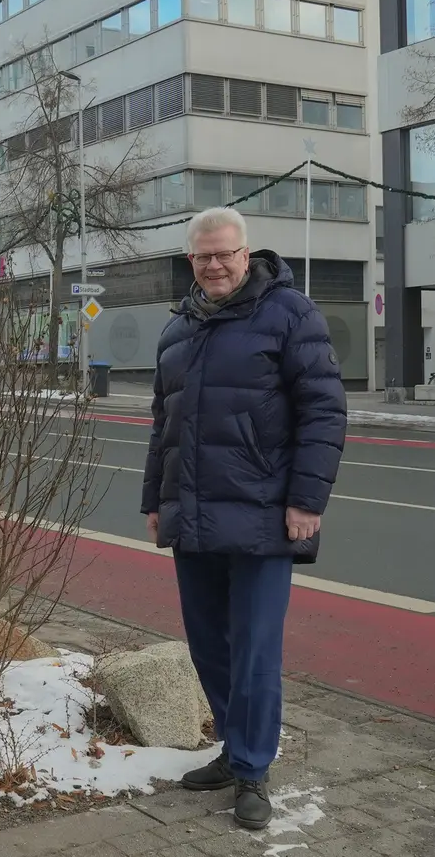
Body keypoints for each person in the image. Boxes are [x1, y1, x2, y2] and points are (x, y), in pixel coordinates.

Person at [142, 207, 346, 830]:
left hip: (263, 518)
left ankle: (254, 770)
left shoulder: (290, 314)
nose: (214, 265)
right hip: (194, 514)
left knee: (255, 650)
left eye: (224, 254)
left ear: (246, 252)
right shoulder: (179, 328)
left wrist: (307, 501)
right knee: (210, 646)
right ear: (191, 261)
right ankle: (235, 751)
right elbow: (164, 425)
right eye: (202, 256)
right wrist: (156, 500)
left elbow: (324, 412)